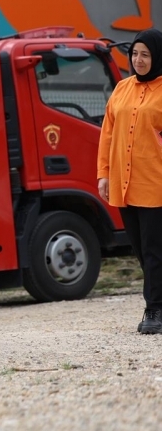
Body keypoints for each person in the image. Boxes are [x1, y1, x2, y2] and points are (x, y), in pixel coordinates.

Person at [96, 28, 162, 334]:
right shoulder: (122, 89)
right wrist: (104, 174)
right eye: (135, 54)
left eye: (145, 55)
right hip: (125, 183)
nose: (139, 60)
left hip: (155, 184)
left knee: (153, 250)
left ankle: (154, 310)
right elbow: (107, 135)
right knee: (140, 249)